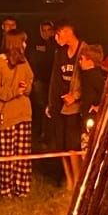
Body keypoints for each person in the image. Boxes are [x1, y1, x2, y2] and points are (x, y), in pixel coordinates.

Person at [0, 31, 35, 199]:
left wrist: (25, 87)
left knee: (23, 154)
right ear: (15, 43)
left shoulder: (23, 61)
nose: (26, 45)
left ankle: (22, 189)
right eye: (23, 42)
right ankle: (5, 190)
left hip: (23, 113)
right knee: (6, 154)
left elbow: (29, 80)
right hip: (6, 114)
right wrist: (14, 91)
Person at [45, 22, 83, 187]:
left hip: (75, 107)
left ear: (68, 31)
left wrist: (75, 96)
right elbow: (55, 79)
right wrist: (51, 102)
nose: (56, 37)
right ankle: (69, 180)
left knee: (72, 145)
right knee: (61, 144)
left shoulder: (84, 50)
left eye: (59, 33)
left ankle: (77, 180)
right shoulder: (60, 53)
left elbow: (90, 79)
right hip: (60, 105)